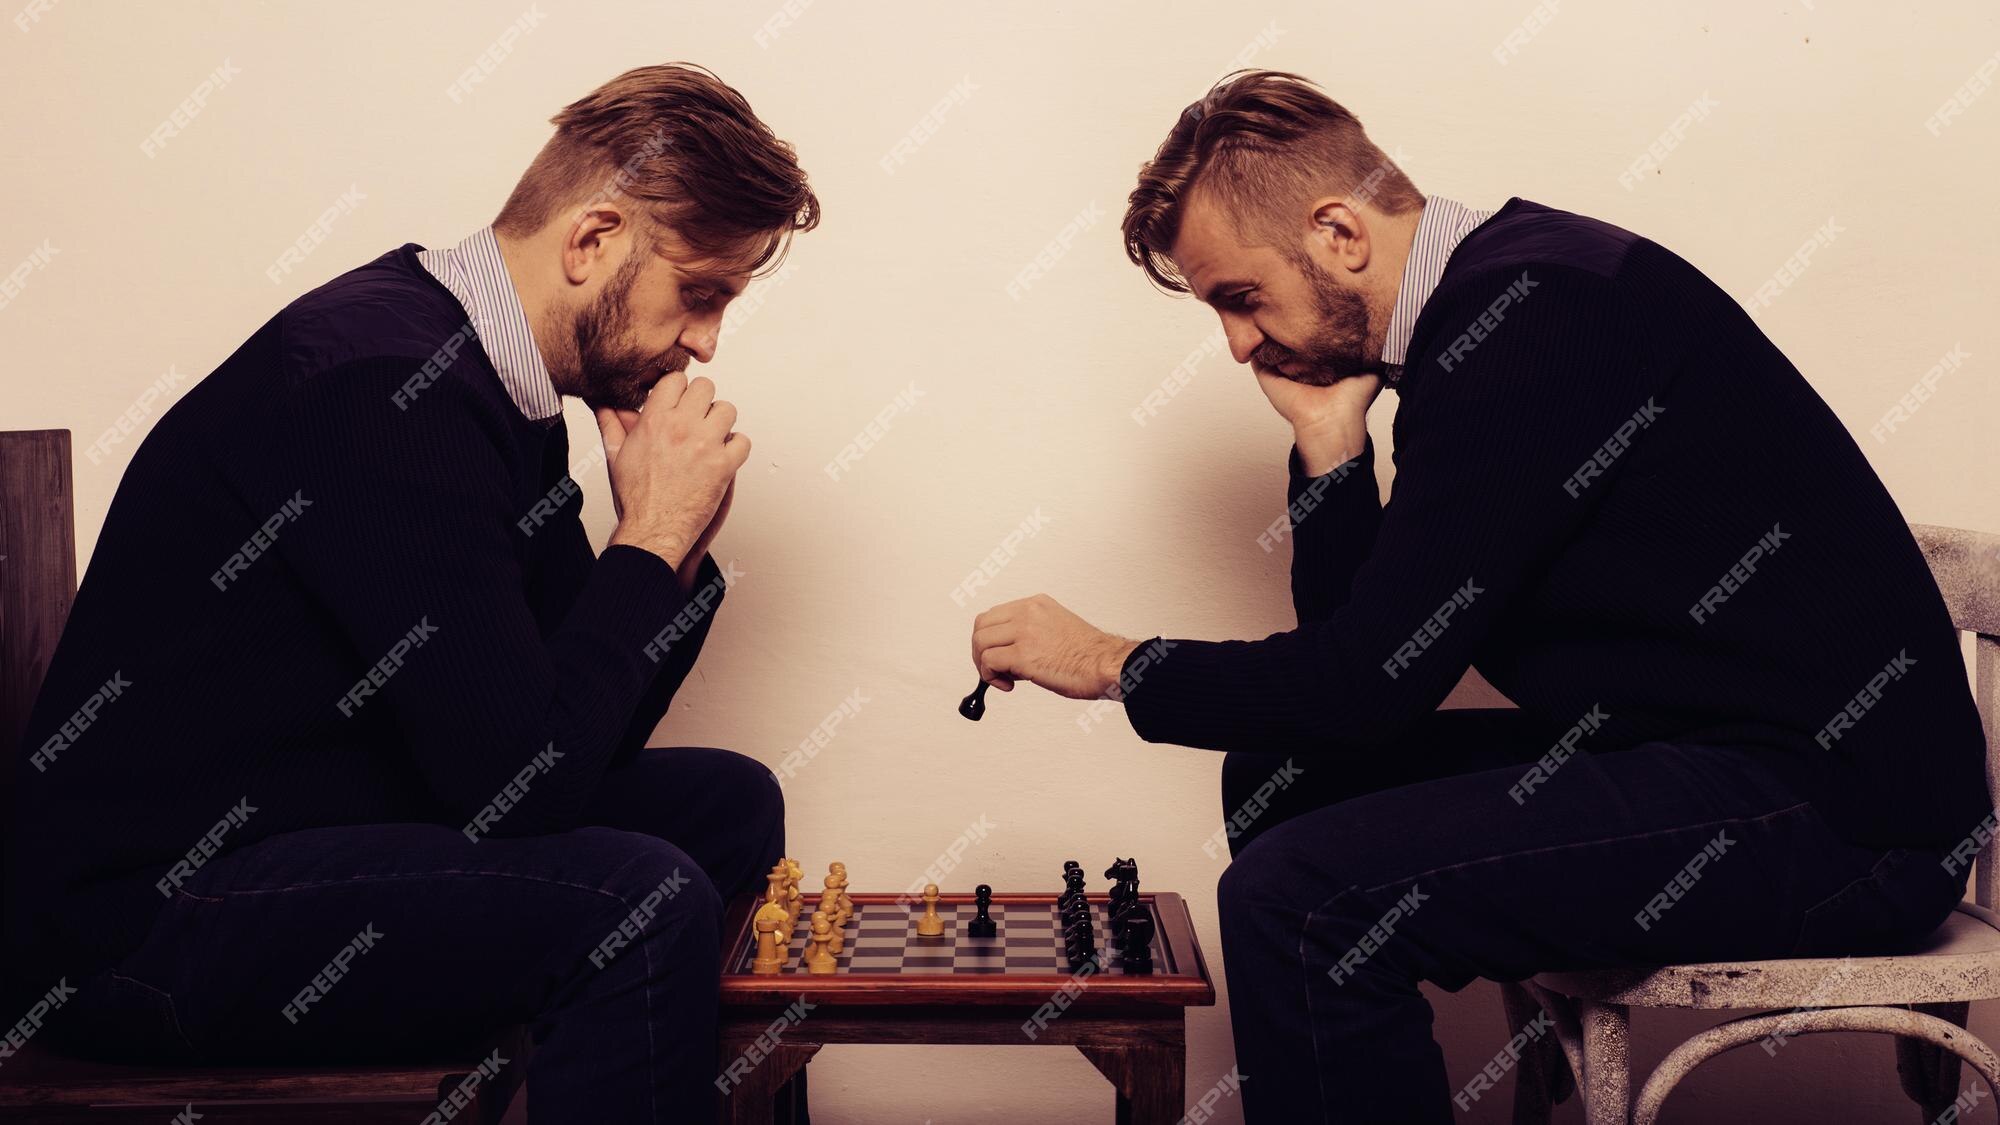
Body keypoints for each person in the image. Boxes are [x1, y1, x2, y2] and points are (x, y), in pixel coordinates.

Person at [966, 70, 1986, 1122]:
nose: (1234, 344)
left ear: (1337, 235)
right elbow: (1356, 678)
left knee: (1298, 903)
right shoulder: (1504, 294)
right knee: (1282, 778)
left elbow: (1362, 691)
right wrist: (1328, 447)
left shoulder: (1529, 319)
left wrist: (1109, 663)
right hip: (1709, 754)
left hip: (1847, 819)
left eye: (1238, 296)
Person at [4, 62, 816, 1123]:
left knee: (727, 800)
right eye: (700, 292)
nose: (705, 339)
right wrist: (646, 538)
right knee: (637, 904)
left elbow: (574, 744)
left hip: (313, 827)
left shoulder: (492, 383)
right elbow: (522, 787)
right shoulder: (381, 383)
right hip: (137, 924)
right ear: (592, 240)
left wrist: (675, 544)